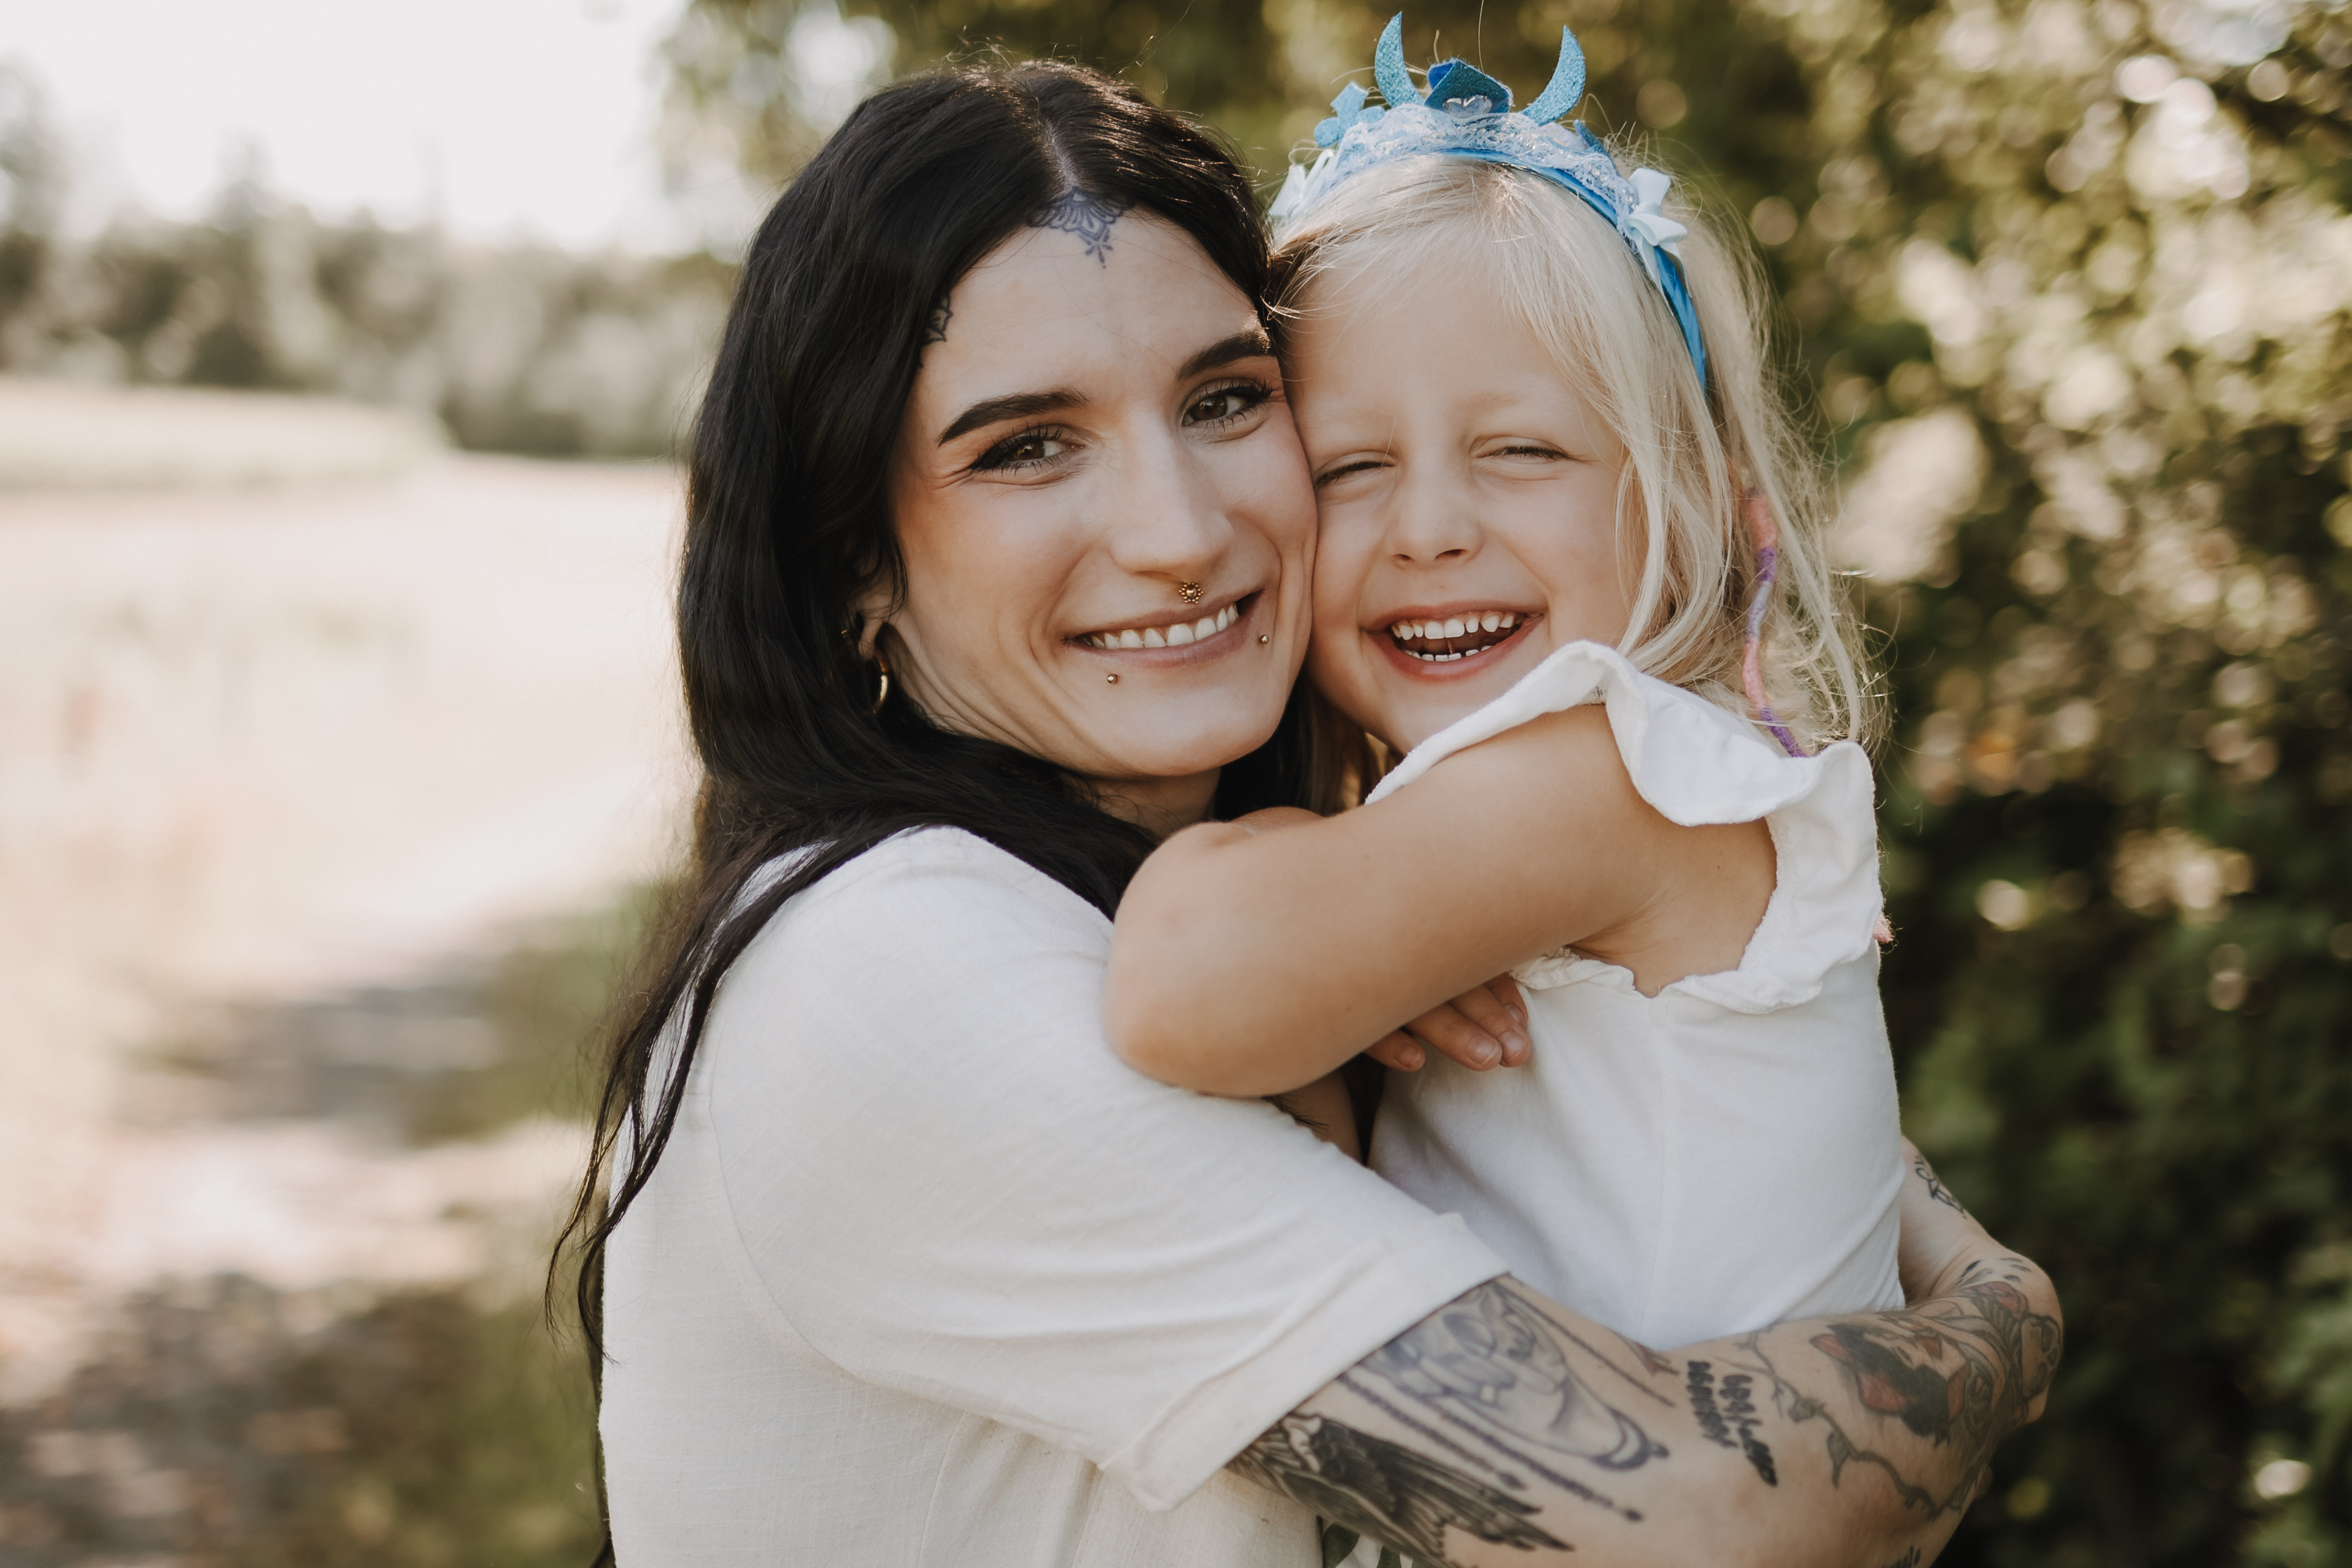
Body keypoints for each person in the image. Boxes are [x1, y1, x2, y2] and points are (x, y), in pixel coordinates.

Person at [557, 55, 2061, 1568]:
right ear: (852, 569)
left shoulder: (1454, 844)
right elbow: (1692, 1517)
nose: (1180, 531)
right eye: (1026, 444)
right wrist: (2000, 1320)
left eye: (1226, 401)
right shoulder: (894, 968)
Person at [1106, 15, 1911, 1362]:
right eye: (1351, 467)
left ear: (1697, 513)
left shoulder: (1616, 776)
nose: (1427, 528)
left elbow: (1178, 988)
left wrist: (1280, 848)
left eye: (1523, 451)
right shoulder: (1562, 790)